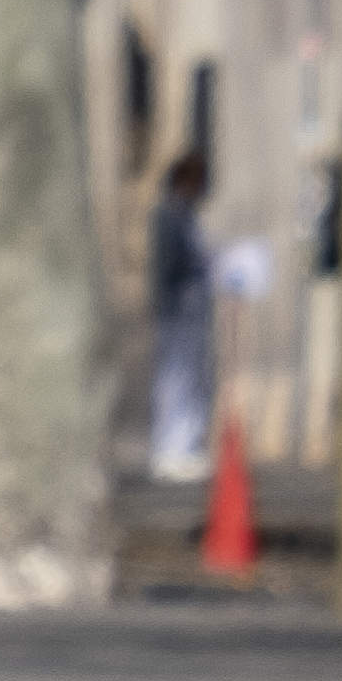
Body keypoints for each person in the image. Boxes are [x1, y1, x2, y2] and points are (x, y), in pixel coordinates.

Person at [147, 148, 218, 481]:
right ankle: (170, 449)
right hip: (178, 310)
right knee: (175, 380)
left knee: (190, 380)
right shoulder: (169, 216)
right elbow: (168, 265)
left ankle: (186, 446)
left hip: (191, 311)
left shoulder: (185, 216)